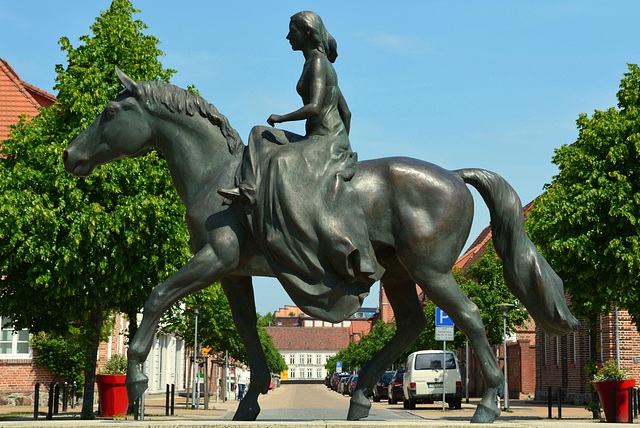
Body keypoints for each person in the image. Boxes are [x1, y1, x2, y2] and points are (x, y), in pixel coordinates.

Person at [219, 11, 383, 321]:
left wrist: (287, 121)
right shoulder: (319, 63)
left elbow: (317, 107)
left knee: (281, 159)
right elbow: (346, 112)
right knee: (258, 133)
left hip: (324, 140)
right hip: (324, 137)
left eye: (292, 31)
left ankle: (279, 215)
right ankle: (248, 188)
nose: (287, 37)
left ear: (306, 33)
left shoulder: (318, 63)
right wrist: (342, 140)